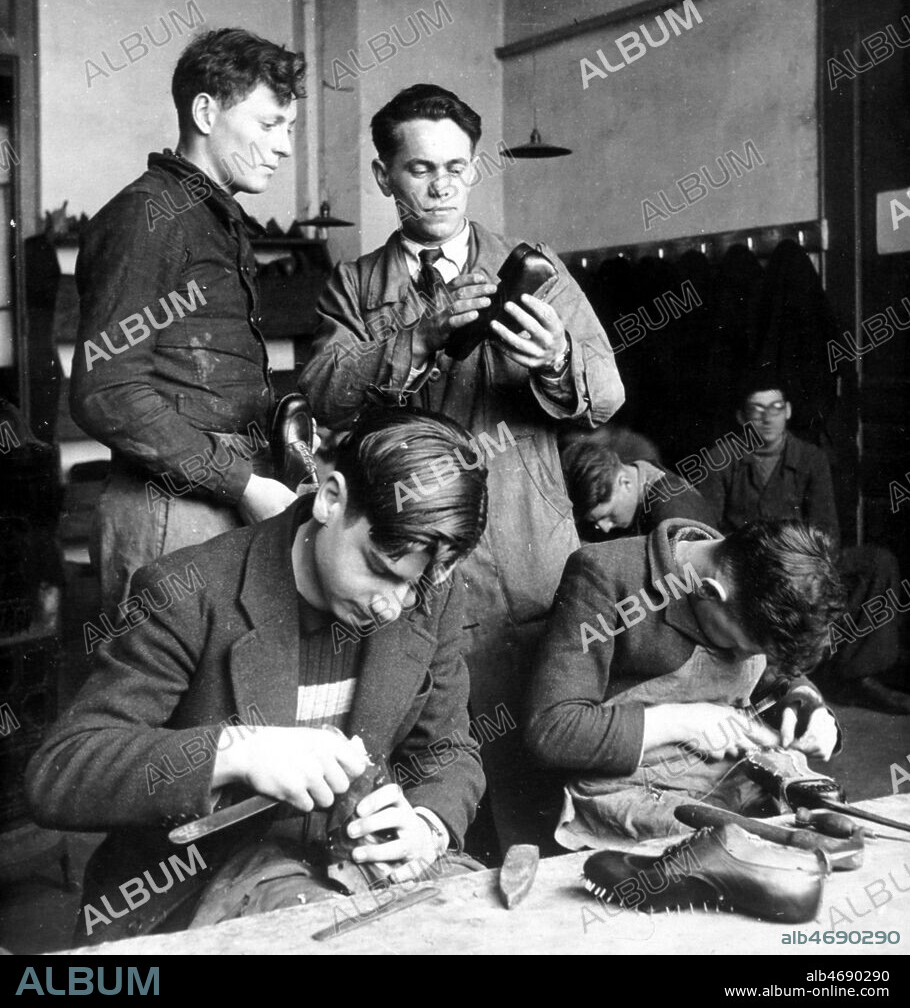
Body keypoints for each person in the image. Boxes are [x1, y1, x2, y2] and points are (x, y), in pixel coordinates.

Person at [298, 83, 624, 850]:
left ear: (476, 169)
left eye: (456, 167)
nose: (441, 186)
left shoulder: (533, 267)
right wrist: (417, 336)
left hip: (523, 553)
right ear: (384, 176)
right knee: (426, 756)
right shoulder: (354, 287)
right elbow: (320, 391)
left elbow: (606, 395)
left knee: (536, 764)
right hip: (405, 560)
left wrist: (554, 358)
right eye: (418, 169)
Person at [26, 408, 488, 944]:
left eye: (418, 587)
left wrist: (428, 828)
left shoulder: (430, 596)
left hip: (356, 877)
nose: (394, 606)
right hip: (197, 890)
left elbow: (450, 751)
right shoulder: (189, 592)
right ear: (331, 499)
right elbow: (60, 773)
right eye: (383, 570)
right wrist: (231, 753)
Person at [71, 28, 306, 613]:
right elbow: (107, 390)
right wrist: (244, 485)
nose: (283, 147)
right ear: (206, 111)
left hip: (216, 493)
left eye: (290, 129)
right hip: (172, 509)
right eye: (268, 124)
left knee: (220, 699)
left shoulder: (209, 217)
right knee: (168, 698)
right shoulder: (149, 216)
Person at [526, 518, 845, 849]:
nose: (741, 658)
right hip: (631, 789)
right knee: (734, 852)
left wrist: (806, 703)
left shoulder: (753, 578)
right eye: (744, 646)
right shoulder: (606, 576)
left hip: (727, 774)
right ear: (708, 592)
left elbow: (771, 669)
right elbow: (552, 728)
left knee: (822, 823)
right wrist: (684, 722)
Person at [700, 383, 910, 713]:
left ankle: (858, 676)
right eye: (757, 409)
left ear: (788, 412)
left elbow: (827, 531)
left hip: (802, 560)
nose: (767, 418)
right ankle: (774, 675)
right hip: (748, 569)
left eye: (775, 407)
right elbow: (707, 533)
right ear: (742, 417)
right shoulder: (721, 459)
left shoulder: (810, 458)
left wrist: (801, 567)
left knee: (876, 562)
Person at [561, 430, 711, 542]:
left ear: (625, 482)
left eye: (608, 515)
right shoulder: (636, 470)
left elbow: (693, 579)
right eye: (595, 522)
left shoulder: (672, 512)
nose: (605, 527)